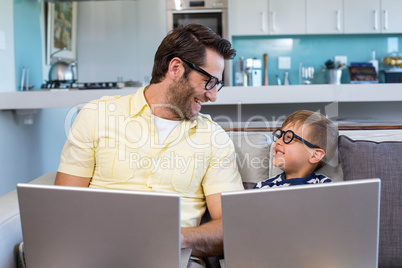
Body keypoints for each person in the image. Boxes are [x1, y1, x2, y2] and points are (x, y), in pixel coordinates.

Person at [55, 24, 244, 266]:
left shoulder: (213, 138)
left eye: (218, 85)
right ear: (176, 68)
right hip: (99, 257)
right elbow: (62, 206)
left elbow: (232, 227)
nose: (213, 95)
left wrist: (178, 238)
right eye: (209, 81)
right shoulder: (96, 115)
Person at [254, 110, 338, 189]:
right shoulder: (263, 187)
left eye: (289, 137)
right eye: (279, 136)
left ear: (315, 155)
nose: (278, 141)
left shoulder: (324, 186)